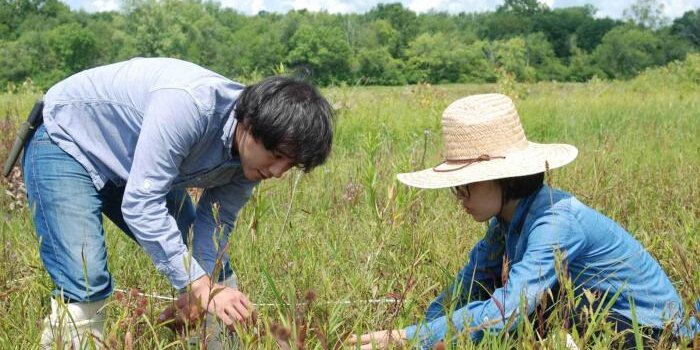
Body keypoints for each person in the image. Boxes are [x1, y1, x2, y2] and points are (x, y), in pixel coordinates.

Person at [20, 57, 334, 348]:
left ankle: (219, 343)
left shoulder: (252, 162)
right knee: (85, 280)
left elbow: (215, 224)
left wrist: (204, 287)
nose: (278, 173)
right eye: (277, 156)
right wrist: (199, 286)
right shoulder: (190, 105)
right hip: (68, 141)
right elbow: (142, 204)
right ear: (250, 126)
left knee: (213, 270)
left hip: (133, 164)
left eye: (290, 165)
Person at [349, 93, 698, 349]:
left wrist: (408, 340)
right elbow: (469, 283)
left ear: (503, 177)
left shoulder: (556, 223)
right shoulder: (506, 221)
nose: (459, 197)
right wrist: (418, 329)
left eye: (465, 184)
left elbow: (507, 313)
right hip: (594, 326)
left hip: (652, 335)